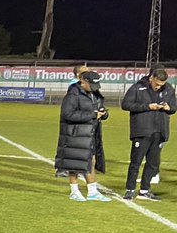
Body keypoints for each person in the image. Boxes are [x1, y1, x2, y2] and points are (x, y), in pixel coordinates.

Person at [121, 66, 175, 201]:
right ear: (151, 78)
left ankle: (145, 190)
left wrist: (169, 108)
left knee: (152, 163)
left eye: (161, 85)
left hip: (160, 131)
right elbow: (126, 104)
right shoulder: (137, 88)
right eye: (156, 84)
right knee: (136, 162)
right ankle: (130, 189)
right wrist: (147, 106)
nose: (158, 87)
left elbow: (174, 108)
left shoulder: (168, 89)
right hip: (142, 131)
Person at [55, 70, 111, 201]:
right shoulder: (72, 95)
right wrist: (92, 115)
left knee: (91, 160)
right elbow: (67, 114)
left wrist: (104, 114)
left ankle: (92, 191)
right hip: (74, 133)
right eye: (91, 85)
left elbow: (99, 108)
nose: (93, 89)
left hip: (90, 133)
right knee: (74, 162)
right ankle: (74, 191)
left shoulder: (95, 94)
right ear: (83, 81)